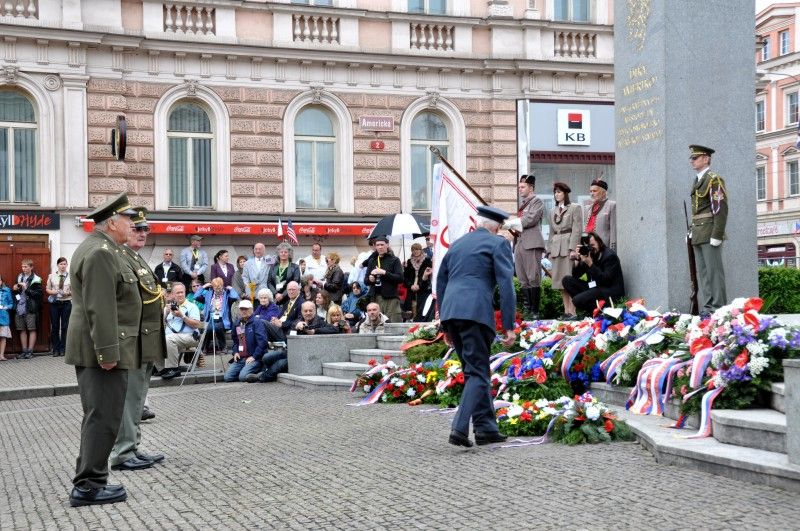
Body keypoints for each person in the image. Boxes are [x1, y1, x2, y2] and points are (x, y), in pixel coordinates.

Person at [64, 192, 140, 507]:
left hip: (100, 347)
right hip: (103, 351)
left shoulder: (102, 248)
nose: (132, 225)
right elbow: (101, 308)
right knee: (103, 417)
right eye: (128, 219)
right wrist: (108, 353)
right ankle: (89, 486)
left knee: (100, 415)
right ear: (112, 222)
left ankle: (90, 478)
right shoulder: (100, 253)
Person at [437, 205, 517, 448]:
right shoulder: (498, 244)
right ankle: (459, 428)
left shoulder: (457, 244)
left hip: (452, 312)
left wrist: (444, 323)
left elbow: (441, 282)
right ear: (497, 227)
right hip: (476, 313)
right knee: (479, 372)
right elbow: (506, 286)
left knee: (475, 372)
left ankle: (485, 428)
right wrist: (509, 325)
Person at [109, 208, 167, 472]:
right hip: (130, 341)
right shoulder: (118, 258)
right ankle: (122, 452)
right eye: (137, 229)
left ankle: (132, 446)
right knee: (130, 398)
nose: (143, 233)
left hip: (145, 341)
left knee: (138, 397)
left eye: (146, 229)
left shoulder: (136, 258)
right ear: (122, 230)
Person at [689, 144, 728, 314]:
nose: (692, 161)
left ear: (706, 159)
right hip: (698, 232)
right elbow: (697, 210)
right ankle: (707, 308)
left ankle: (718, 308)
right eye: (691, 158)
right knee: (703, 274)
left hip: (710, 231)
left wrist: (717, 233)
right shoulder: (697, 180)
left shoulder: (714, 179)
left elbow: (720, 208)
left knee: (714, 273)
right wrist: (692, 230)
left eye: (695, 158)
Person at [561, 231, 625, 315]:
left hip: (609, 292)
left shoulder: (610, 256)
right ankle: (593, 310)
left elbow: (606, 281)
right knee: (567, 280)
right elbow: (576, 275)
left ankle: (598, 312)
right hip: (595, 288)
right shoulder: (589, 254)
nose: (591, 249)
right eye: (588, 246)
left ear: (599, 242)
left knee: (577, 300)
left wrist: (590, 264)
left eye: (592, 245)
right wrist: (578, 260)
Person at [547, 182, 583, 319]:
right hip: (556, 247)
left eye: (559, 192)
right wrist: (549, 250)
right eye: (555, 192)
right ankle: (566, 311)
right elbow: (551, 232)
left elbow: (577, 229)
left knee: (569, 280)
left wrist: (574, 249)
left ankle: (573, 311)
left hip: (568, 246)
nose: (557, 194)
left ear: (565, 193)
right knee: (560, 282)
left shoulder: (575, 208)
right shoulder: (552, 211)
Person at [513, 174, 545, 319]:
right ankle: (527, 309)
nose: (520, 189)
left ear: (531, 188)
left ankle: (535, 311)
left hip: (532, 243)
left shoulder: (536, 201)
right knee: (522, 278)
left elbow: (531, 219)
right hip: (520, 242)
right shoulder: (524, 203)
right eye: (519, 187)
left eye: (523, 186)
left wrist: (513, 222)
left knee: (533, 277)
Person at [159, 283, 202, 380]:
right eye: (177, 293)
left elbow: (196, 324)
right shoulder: (169, 308)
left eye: (182, 292)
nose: (180, 295)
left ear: (185, 293)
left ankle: (173, 369)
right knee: (155, 339)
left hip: (190, 336)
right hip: (173, 337)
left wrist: (182, 316)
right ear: (173, 295)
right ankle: (161, 368)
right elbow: (160, 324)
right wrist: (165, 313)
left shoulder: (192, 306)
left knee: (168, 339)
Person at [224, 299, 269, 382]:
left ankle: (260, 371)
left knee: (242, 377)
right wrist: (235, 352)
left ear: (251, 310)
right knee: (227, 377)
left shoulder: (257, 322)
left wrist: (254, 356)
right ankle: (245, 370)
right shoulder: (238, 323)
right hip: (241, 358)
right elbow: (236, 341)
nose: (243, 311)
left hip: (255, 358)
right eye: (241, 309)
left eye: (246, 309)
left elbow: (263, 343)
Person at [194, 277, 239, 354]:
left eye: (219, 286)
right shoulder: (208, 295)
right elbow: (196, 296)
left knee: (217, 327)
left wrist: (231, 288)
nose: (218, 289)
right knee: (207, 328)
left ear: (222, 286)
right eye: (215, 287)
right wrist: (203, 287)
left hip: (222, 319)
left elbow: (235, 297)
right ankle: (205, 348)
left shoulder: (227, 295)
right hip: (210, 318)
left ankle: (223, 347)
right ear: (212, 287)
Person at [364, 236, 403, 322]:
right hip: (376, 297)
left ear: (387, 245)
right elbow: (366, 281)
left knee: (393, 323)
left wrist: (384, 272)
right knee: (378, 324)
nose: (380, 247)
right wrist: (370, 279)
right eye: (378, 245)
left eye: (382, 244)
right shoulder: (372, 260)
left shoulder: (394, 260)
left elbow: (400, 278)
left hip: (391, 298)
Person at [12, 259, 43, 359]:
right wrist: (15, 290)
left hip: (31, 308)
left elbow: (38, 295)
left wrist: (27, 288)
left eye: (26, 267)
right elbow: (17, 294)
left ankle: (30, 351)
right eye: (22, 267)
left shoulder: (36, 279)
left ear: (31, 267)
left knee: (32, 329)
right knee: (22, 329)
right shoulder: (19, 277)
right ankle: (24, 351)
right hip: (20, 307)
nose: (23, 268)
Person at [46, 257, 72, 357]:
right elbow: (47, 289)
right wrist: (54, 292)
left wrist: (67, 293)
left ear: (67, 265)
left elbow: (74, 290)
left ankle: (63, 348)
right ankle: (56, 349)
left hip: (66, 303)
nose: (63, 266)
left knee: (65, 327)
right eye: (61, 264)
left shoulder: (71, 276)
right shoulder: (52, 276)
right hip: (55, 303)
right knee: (55, 326)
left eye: (64, 264)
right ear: (57, 265)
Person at [583, 178, 616, 251]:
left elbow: (613, 231)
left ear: (603, 192)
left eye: (594, 191)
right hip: (589, 248)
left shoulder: (611, 205)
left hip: (603, 248)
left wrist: (612, 250)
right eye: (590, 191)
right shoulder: (587, 208)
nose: (592, 193)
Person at [403, 243, 433, 322]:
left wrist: (420, 285)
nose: (415, 251)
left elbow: (429, 275)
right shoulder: (409, 262)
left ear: (421, 250)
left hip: (424, 287)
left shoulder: (427, 260)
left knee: (422, 306)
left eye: (417, 249)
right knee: (413, 306)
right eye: (413, 250)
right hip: (412, 288)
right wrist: (410, 285)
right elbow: (405, 277)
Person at [0, 274, 13, 361]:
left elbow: (11, 304)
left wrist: (6, 307)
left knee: (3, 337)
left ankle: (1, 355)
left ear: (1, 281)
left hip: (3, 316)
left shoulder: (7, 290)